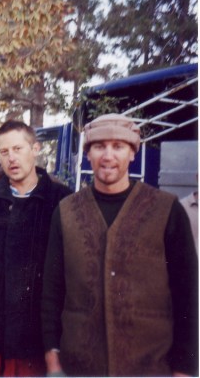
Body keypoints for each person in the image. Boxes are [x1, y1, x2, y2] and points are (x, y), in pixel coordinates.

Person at [42, 113, 199, 377]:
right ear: (88, 154)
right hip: (80, 366)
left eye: (118, 146)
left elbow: (188, 294)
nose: (108, 156)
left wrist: (184, 369)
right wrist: (53, 359)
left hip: (150, 366)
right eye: (99, 146)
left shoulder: (166, 210)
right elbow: (52, 291)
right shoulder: (67, 211)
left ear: (133, 153)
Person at [0, 120, 72, 377]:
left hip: (36, 340)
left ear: (35, 149)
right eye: (4, 151)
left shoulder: (62, 200)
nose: (11, 158)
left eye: (18, 149)